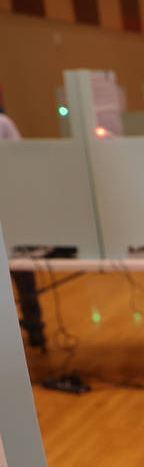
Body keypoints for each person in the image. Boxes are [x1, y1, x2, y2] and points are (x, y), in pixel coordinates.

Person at [0, 103, 47, 349]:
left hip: (9, 209)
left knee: (22, 271)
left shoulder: (3, 124)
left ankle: (35, 327)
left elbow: (19, 160)